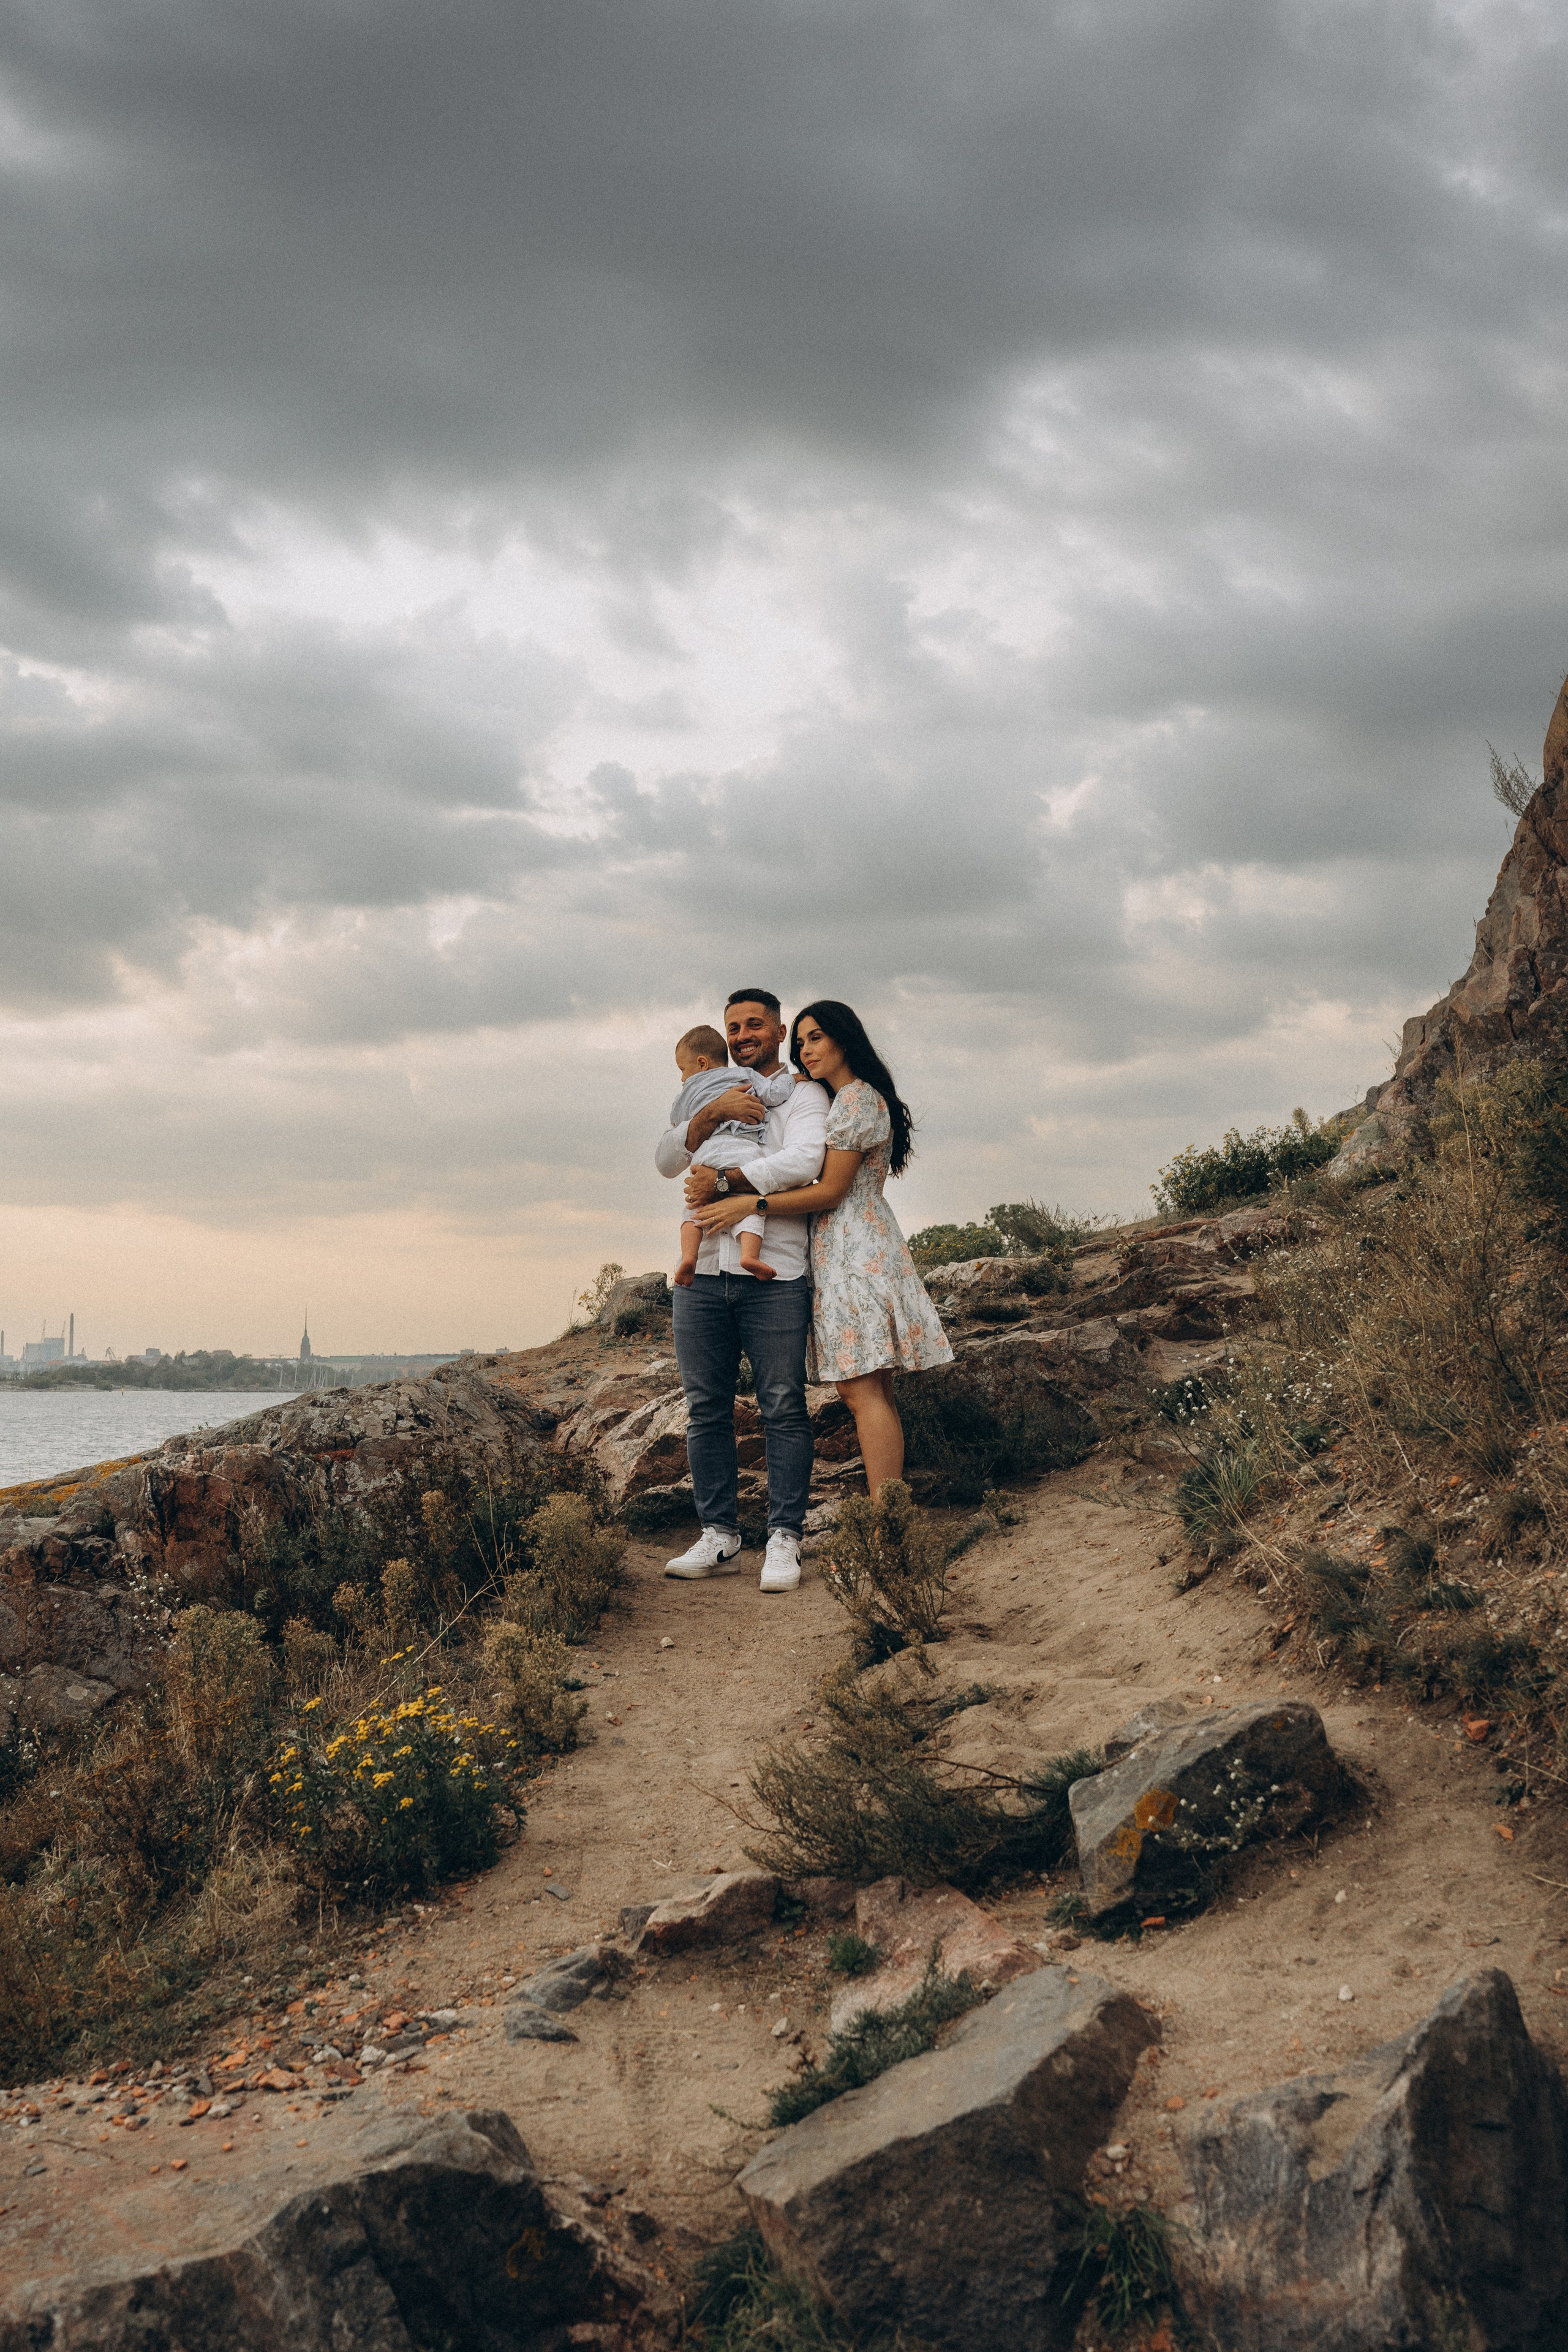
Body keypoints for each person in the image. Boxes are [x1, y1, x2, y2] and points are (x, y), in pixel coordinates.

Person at [693, 998, 951, 1496]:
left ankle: (884, 1525)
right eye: (802, 1042)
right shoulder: (849, 1098)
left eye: (817, 1038)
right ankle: (889, 1516)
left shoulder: (854, 1101)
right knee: (873, 1390)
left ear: (844, 1039)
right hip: (856, 1246)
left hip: (855, 1253)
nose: (806, 1051)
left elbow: (830, 1190)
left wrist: (748, 1203)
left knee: (859, 1391)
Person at [655, 989, 829, 1593]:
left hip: (773, 1270)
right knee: (705, 1410)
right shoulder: (707, 1090)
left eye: (755, 1024)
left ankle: (784, 1537)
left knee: (782, 1405)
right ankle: (720, 1535)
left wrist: (730, 1180)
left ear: (779, 1031)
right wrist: (705, 1120)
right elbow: (664, 1160)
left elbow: (806, 1160)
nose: (744, 1033)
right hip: (700, 1270)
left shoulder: (802, 1094)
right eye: (734, 1025)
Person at [668, 1025, 797, 1286]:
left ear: (701, 1063)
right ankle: (750, 1256)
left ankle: (690, 1257)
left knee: (694, 1208)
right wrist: (794, 1080)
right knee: (749, 1207)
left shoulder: (687, 1092)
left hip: (706, 1154)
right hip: (743, 1152)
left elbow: (676, 1122)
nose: (683, 1078)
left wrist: (702, 1114)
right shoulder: (744, 1076)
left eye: (683, 1069)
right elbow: (774, 1093)